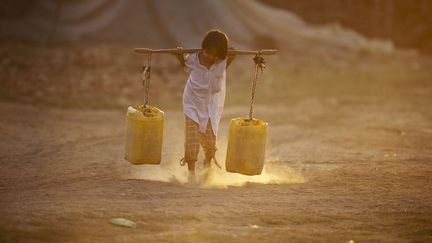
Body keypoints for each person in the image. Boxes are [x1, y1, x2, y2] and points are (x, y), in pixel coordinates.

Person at [173, 29, 235, 184]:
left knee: (209, 142)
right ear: (203, 49)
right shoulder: (193, 58)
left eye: (215, 55)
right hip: (192, 102)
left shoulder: (221, 62)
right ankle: (191, 173)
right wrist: (179, 56)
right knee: (192, 137)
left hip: (211, 106)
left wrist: (231, 52)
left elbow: (231, 54)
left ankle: (207, 167)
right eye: (208, 53)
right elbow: (185, 66)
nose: (210, 57)